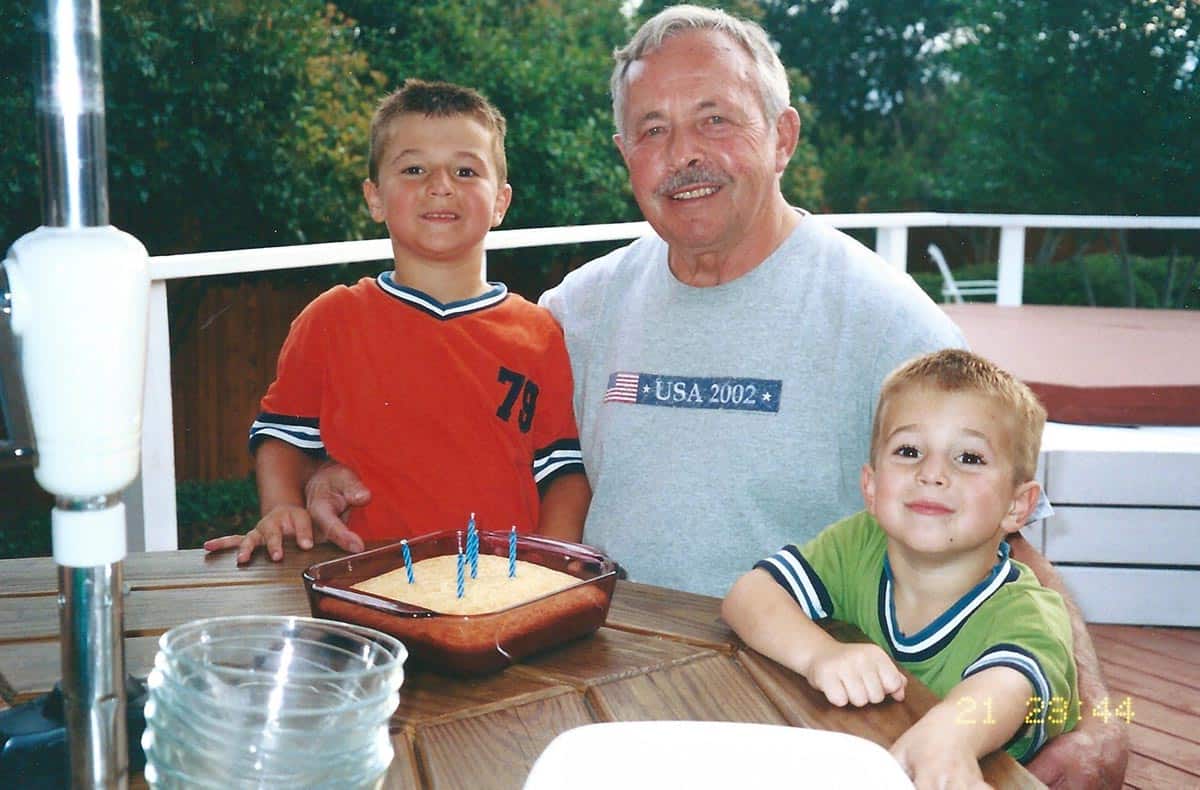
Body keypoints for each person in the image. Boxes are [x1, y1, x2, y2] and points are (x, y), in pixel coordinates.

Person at [300, 7, 1127, 786]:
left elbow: (1002, 541)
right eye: (652, 130)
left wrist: (1091, 719)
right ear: (626, 156)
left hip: (805, 703)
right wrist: (321, 476)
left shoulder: (885, 321)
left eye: (715, 118)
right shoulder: (572, 315)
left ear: (783, 137)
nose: (682, 152)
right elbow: (456, 444)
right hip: (585, 683)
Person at [203, 79, 589, 564]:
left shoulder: (540, 334)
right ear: (374, 198)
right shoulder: (333, 318)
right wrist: (281, 506)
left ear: (500, 203)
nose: (440, 185)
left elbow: (563, 472)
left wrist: (547, 562)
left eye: (466, 170)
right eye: (413, 168)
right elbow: (282, 438)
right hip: (363, 580)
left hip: (500, 591)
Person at [723, 349, 1078, 788]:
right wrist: (819, 653)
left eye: (968, 458)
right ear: (871, 488)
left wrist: (950, 736)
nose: (932, 473)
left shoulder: (1028, 612)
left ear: (1016, 506)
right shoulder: (858, 544)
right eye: (909, 450)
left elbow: (1008, 685)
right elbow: (750, 595)